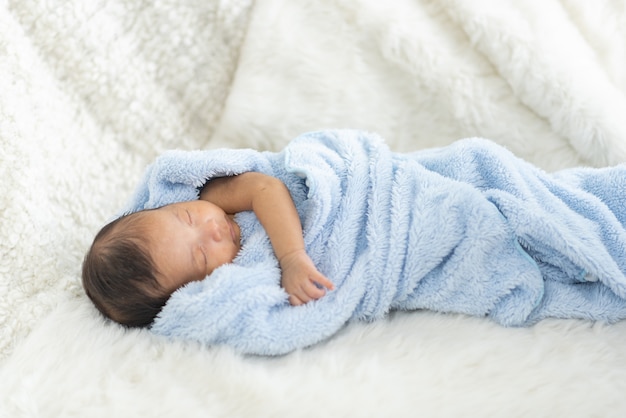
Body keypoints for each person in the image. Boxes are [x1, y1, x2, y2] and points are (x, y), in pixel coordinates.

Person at [82, 171, 334, 328]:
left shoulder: (214, 197)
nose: (213, 228)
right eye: (202, 255)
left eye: (187, 216)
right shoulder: (239, 285)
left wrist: (292, 257)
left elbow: (266, 188)